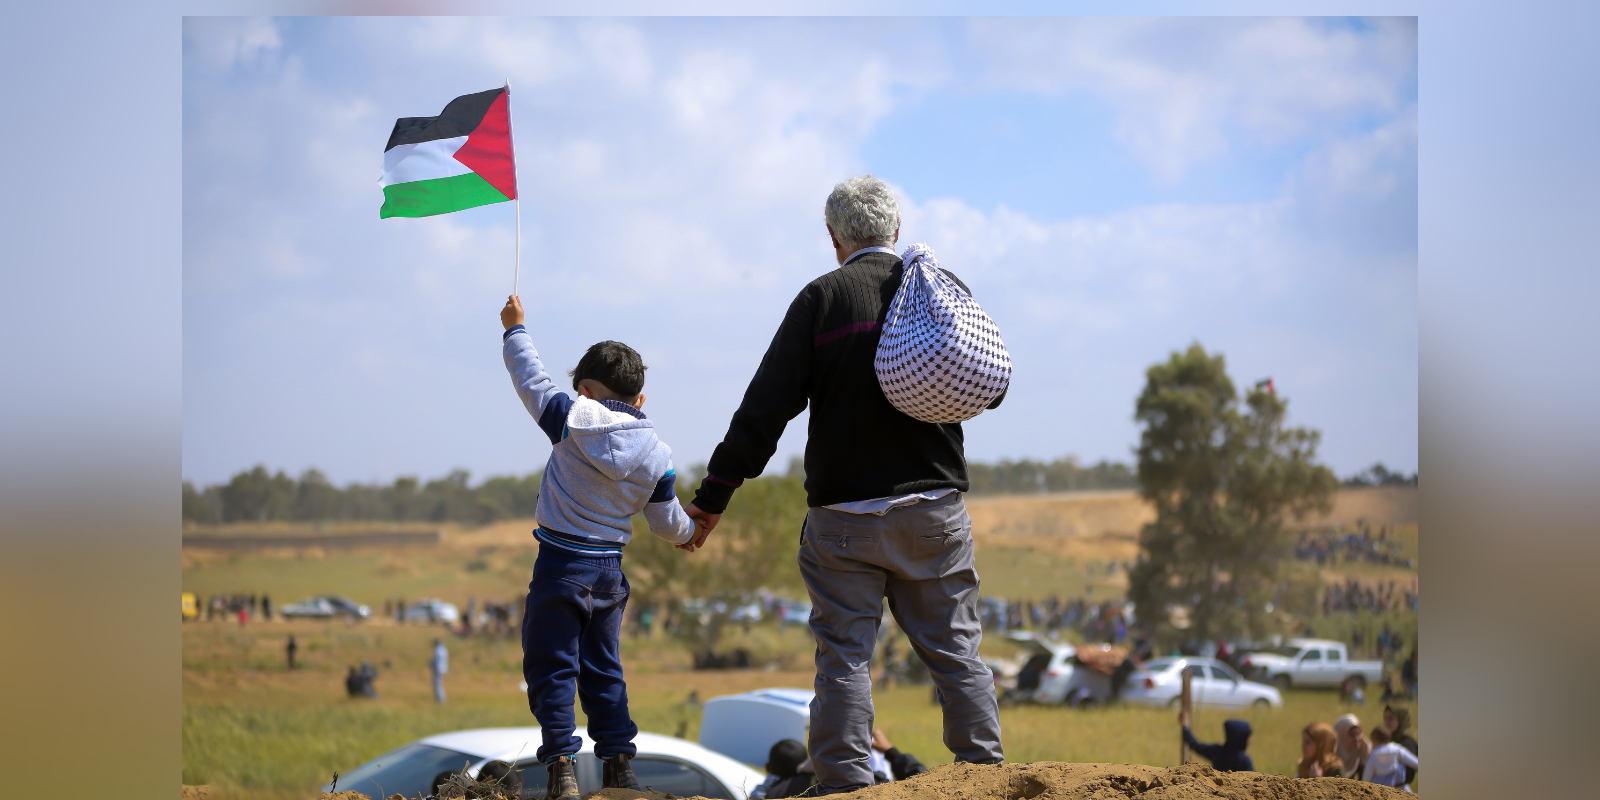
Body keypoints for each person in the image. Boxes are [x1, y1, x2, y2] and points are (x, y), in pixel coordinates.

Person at [683, 175, 1006, 794]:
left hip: (845, 524)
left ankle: (843, 787)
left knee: (845, 658)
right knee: (958, 653)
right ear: (897, 230)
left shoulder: (821, 300)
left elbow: (764, 411)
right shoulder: (941, 290)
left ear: (834, 237)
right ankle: (985, 778)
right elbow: (988, 382)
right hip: (934, 513)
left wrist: (713, 498)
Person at [499, 295, 699, 799]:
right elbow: (667, 523)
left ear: (585, 390)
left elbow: (529, 379)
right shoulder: (657, 454)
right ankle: (619, 767)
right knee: (603, 667)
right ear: (640, 401)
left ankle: (562, 770)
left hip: (560, 567)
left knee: (552, 666)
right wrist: (690, 535)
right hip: (609, 573)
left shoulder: (569, 419)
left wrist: (515, 329)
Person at [1181, 719, 1254, 773]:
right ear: (1240, 738)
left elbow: (1196, 746)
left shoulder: (1217, 751)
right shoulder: (1244, 761)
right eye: (1247, 737)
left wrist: (1185, 726)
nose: (1250, 741)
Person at [1362, 726, 1418, 790]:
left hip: (1381, 790)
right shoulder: (1397, 749)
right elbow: (1415, 762)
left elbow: (1366, 777)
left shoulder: (1374, 755)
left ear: (1375, 741)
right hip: (1400, 787)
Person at [1382, 704, 1419, 786]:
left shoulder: (1407, 743)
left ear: (1401, 719)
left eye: (1391, 718)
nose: (1387, 722)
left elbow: (1408, 773)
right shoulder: (1387, 740)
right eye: (1385, 718)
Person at [1334, 714, 1371, 779]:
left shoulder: (1364, 751)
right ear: (1342, 736)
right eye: (1352, 735)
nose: (1357, 739)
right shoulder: (1332, 756)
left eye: (1358, 733)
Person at [430, 639, 448, 704]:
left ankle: (440, 700)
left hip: (437, 669)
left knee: (437, 685)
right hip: (443, 669)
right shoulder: (444, 650)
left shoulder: (438, 650)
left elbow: (436, 661)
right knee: (440, 685)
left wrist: (431, 664)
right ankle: (442, 700)